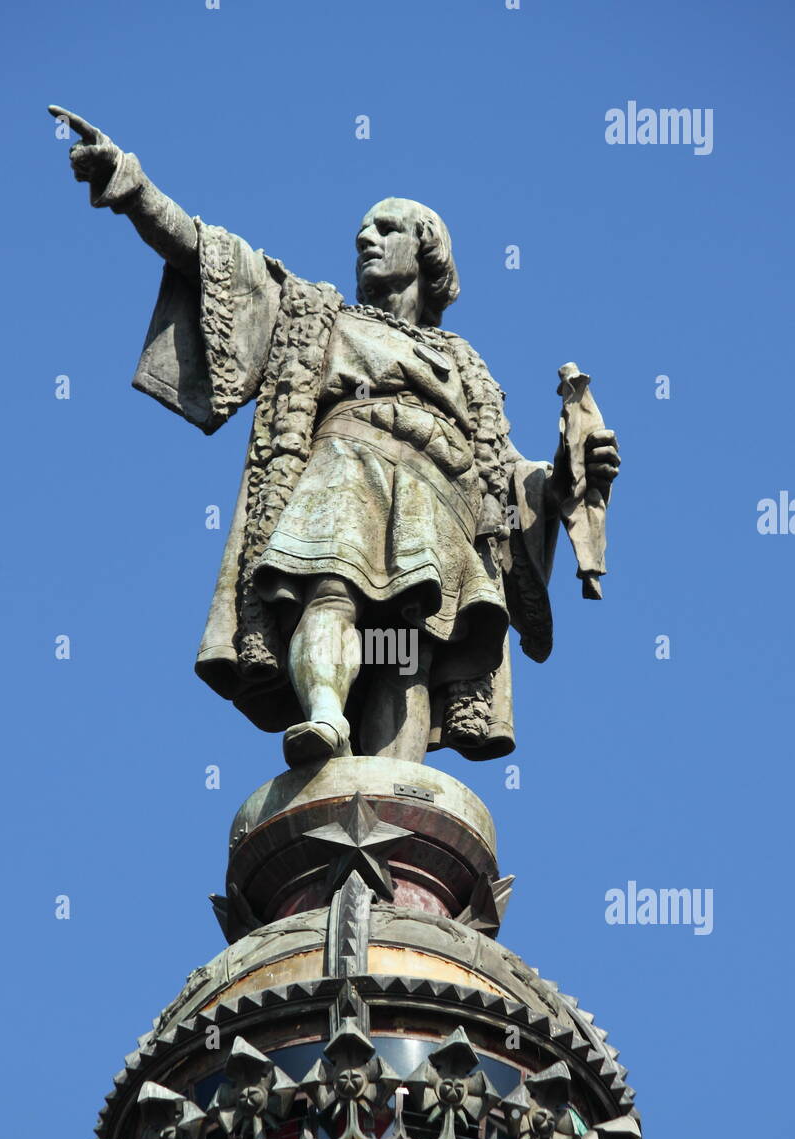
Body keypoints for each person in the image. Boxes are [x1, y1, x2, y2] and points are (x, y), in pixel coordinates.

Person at [50, 107, 621, 767]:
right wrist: (133, 186)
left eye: (386, 228)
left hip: (442, 498)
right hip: (349, 464)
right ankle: (324, 713)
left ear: (426, 248)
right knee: (331, 587)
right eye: (361, 232)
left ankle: (394, 782)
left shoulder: (469, 370)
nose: (367, 240)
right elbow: (213, 262)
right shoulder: (317, 315)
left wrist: (564, 474)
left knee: (410, 646)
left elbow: (507, 477)